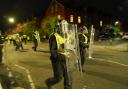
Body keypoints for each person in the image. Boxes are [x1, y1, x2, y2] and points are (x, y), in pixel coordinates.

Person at [45, 20, 72, 89]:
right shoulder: (54, 36)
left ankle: (67, 87)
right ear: (59, 27)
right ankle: (49, 82)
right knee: (58, 77)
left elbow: (71, 46)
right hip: (57, 60)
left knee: (67, 76)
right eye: (63, 26)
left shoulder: (68, 36)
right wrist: (58, 57)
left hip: (66, 59)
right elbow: (52, 50)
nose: (64, 28)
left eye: (66, 26)